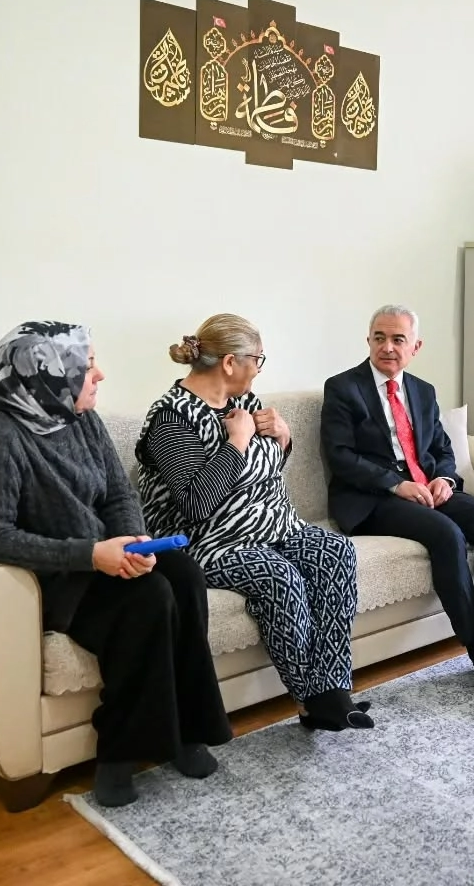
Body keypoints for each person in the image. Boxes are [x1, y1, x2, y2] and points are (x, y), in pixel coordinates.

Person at [0, 321, 231, 808]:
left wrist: (134, 542)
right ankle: (118, 754)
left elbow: (118, 494)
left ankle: (189, 731)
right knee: (149, 596)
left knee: (185, 575)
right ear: (48, 374)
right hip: (54, 577)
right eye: (86, 366)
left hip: (107, 554)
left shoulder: (79, 416)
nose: (99, 374)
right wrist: (90, 555)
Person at [135, 314, 371, 732]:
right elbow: (196, 503)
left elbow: (262, 471)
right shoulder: (171, 419)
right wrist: (237, 440)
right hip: (212, 543)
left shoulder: (243, 402)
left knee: (334, 552)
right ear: (230, 362)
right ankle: (312, 699)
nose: (259, 369)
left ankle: (333, 690)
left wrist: (283, 438)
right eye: (257, 359)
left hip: (277, 528)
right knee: (280, 577)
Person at [321, 304, 474, 692]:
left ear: (415, 347)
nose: (387, 347)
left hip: (425, 486)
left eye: (397, 339)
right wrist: (395, 484)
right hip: (373, 498)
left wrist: (445, 479)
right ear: (368, 341)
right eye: (379, 338)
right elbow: (341, 456)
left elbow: (441, 448)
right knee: (446, 534)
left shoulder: (422, 391)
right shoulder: (342, 388)